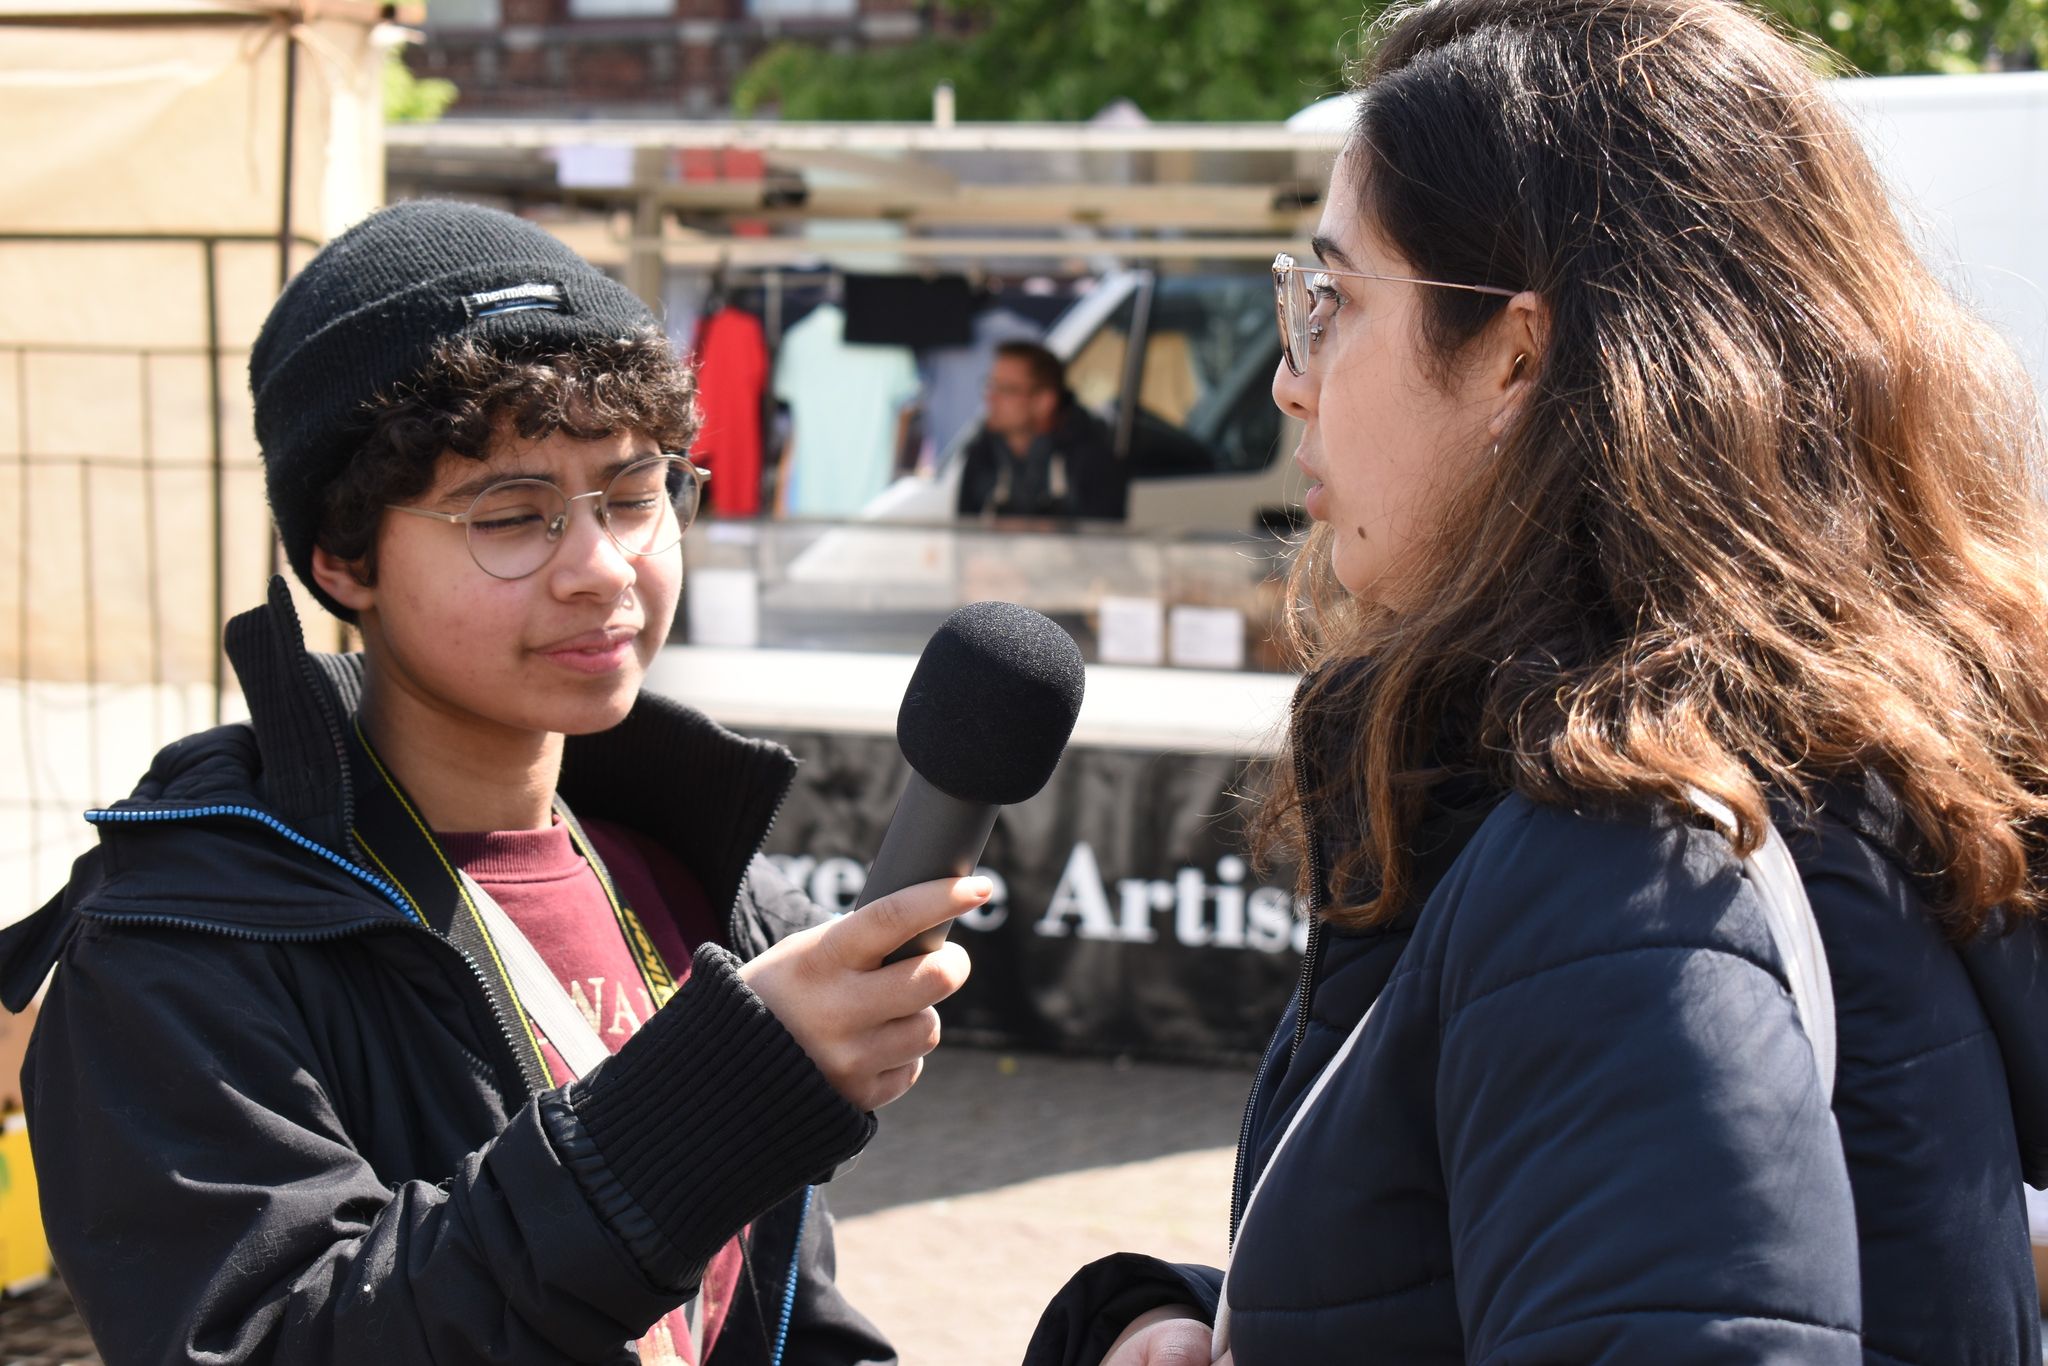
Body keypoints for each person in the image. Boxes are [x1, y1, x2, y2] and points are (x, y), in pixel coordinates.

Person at [1028, 1, 2048, 1362]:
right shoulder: (1744, 796)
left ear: (1516, 354)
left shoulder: (1628, 877)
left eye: (1329, 299)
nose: (1289, 376)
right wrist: (1194, 1316)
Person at [0, 201, 981, 1366]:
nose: (600, 568)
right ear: (342, 558)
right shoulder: (183, 937)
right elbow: (277, 1342)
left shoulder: (700, 880)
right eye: (512, 516)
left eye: (633, 494)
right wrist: (704, 1109)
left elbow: (764, 1326)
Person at [956, 342, 1125, 520]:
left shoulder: (1092, 461)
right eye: (991, 385)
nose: (991, 398)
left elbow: (1105, 541)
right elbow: (964, 535)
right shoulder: (981, 456)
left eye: (1006, 389)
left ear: (1045, 401)